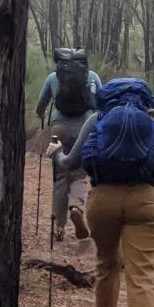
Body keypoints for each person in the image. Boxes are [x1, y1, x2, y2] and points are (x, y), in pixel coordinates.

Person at [47, 78, 154, 307]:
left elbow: (69, 163)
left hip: (103, 200)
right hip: (144, 201)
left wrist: (55, 151)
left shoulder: (97, 119)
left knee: (107, 265)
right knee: (141, 272)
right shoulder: (149, 119)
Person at [36, 48, 102, 241]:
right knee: (81, 174)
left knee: (61, 177)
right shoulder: (92, 77)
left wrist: (40, 114)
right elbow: (102, 103)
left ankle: (59, 226)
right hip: (85, 128)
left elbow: (41, 106)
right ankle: (76, 207)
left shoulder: (52, 77)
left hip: (59, 129)